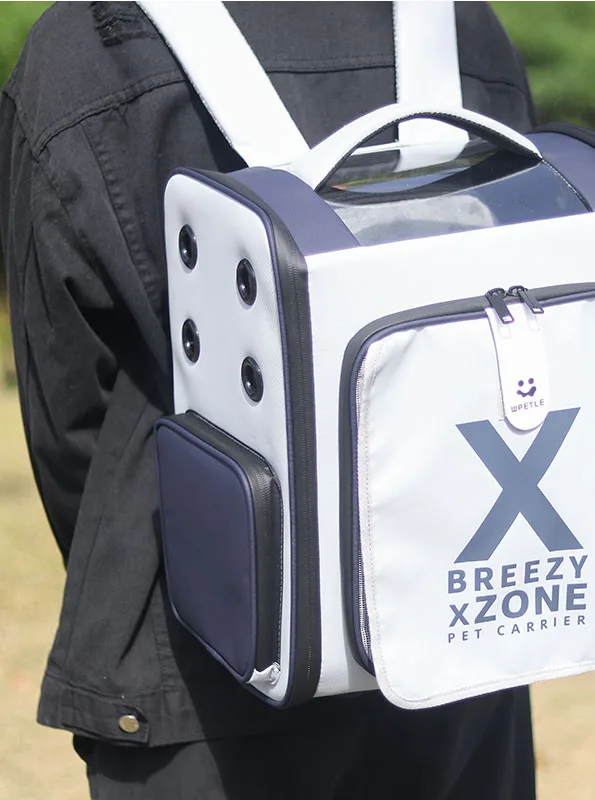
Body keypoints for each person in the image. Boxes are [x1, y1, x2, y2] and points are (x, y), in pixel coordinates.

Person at [0, 3, 538, 797]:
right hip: (454, 623)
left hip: (199, 672)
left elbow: (71, 417)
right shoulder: (460, 26)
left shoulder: (87, 50)